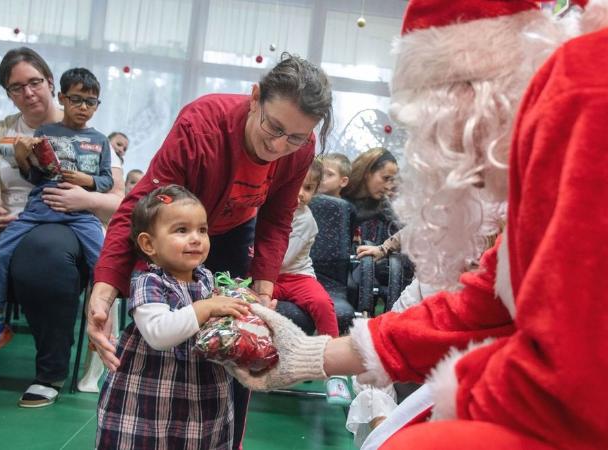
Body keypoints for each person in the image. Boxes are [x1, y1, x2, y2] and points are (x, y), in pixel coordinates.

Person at [222, 0, 608, 448]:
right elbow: (482, 305)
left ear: (466, 91)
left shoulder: (604, 96)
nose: (434, 146)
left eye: (430, 119)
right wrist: (314, 354)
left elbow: (603, 393)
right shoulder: (556, 119)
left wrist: (456, 392)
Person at [86, 52, 332, 449]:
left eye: (297, 137)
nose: (279, 145)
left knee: (235, 345)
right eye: (273, 127)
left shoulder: (300, 150)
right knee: (158, 339)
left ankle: (221, 437)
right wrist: (104, 288)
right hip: (175, 230)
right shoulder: (202, 123)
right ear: (255, 97)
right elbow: (142, 205)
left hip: (233, 235)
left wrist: (264, 289)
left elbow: (276, 220)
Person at [0, 47, 124, 406]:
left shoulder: (93, 136)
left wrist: (86, 199)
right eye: (16, 88)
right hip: (0, 221)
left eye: (34, 82)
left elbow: (120, 199)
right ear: (8, 93)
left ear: (49, 82)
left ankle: (49, 371)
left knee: (43, 256)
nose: (28, 93)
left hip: (63, 220)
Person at [0, 67, 113, 364]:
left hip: (80, 215)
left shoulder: (100, 140)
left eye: (91, 102)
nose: (84, 107)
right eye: (76, 99)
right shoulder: (46, 132)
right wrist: (23, 156)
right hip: (38, 211)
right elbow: (36, 175)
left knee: (104, 262)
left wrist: (87, 183)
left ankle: (102, 326)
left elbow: (106, 180)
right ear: (61, 98)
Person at [97, 185, 250, 450]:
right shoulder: (149, 282)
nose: (196, 238)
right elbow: (159, 334)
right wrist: (205, 308)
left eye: (202, 230)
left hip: (204, 396)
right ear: (149, 244)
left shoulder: (207, 280)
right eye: (182, 230)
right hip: (151, 398)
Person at [271, 158, 351, 404]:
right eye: (298, 186)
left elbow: (282, 260)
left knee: (322, 303)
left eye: (308, 189)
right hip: (267, 276)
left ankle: (335, 374)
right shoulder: (268, 207)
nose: (301, 194)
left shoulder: (305, 220)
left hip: (296, 275)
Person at [341, 148, 399, 246]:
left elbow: (403, 230)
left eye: (391, 180)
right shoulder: (339, 187)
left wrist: (384, 249)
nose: (388, 187)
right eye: (385, 178)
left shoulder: (382, 204)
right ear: (368, 172)